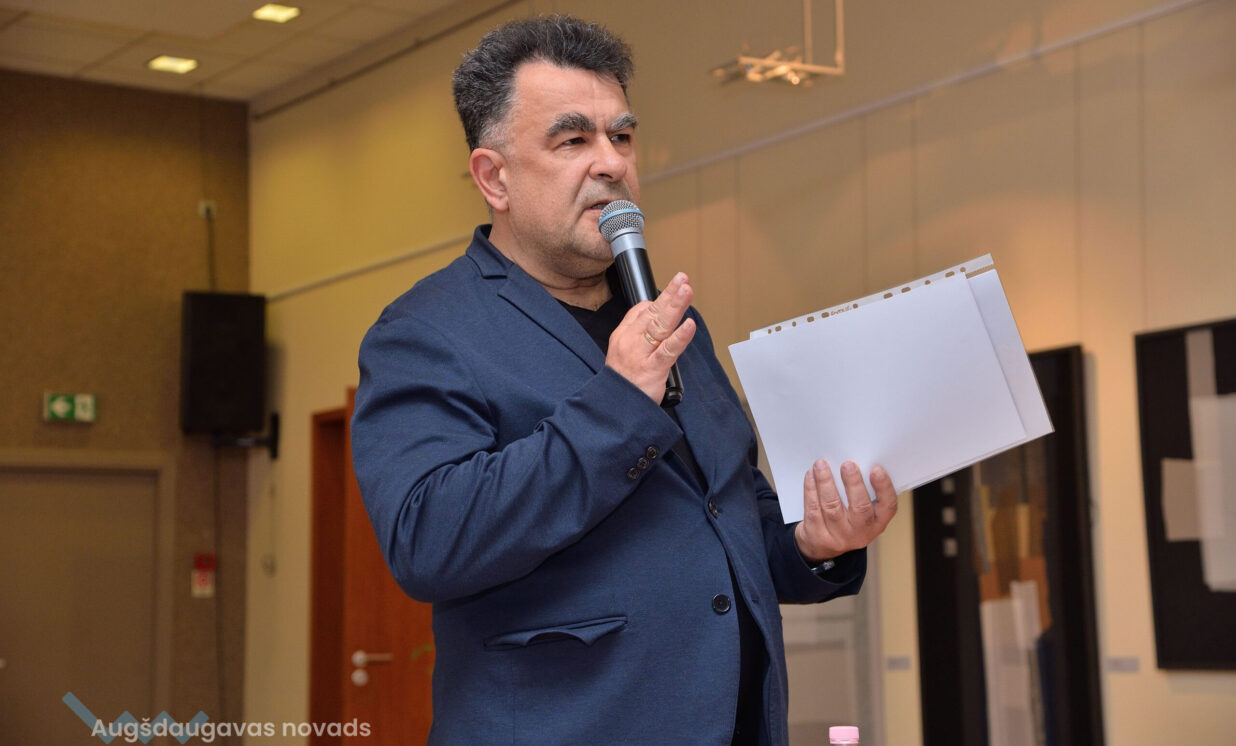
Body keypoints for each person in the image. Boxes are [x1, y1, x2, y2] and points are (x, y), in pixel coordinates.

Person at [351, 14, 897, 745]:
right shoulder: (427, 331)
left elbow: (730, 522)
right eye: (573, 140)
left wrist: (813, 545)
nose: (611, 162)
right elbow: (429, 540)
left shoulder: (669, 322)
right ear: (494, 177)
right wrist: (618, 402)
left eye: (623, 136)